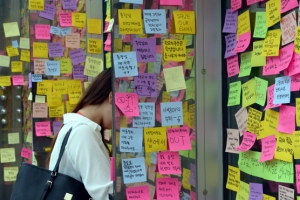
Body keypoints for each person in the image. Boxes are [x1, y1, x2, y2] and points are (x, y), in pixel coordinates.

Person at [46, 68, 113, 200]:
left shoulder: (74, 127)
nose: (125, 116)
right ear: (112, 97)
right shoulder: (83, 133)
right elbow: (107, 194)